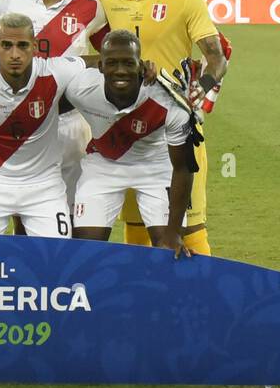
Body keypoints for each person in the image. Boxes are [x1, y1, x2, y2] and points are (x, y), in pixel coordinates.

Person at [88, 0, 229, 256]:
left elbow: (216, 57)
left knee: (188, 231)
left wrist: (197, 95)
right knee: (137, 232)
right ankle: (141, 308)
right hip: (124, 131)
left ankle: (200, 306)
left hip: (174, 129)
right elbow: (90, 55)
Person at [0, 13, 91, 238]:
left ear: (35, 46)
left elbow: (100, 64)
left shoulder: (56, 71)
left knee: (56, 258)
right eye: (7, 45)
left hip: (44, 184)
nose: (15, 54)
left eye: (22, 46)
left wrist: (141, 68)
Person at [0, 0, 101, 210]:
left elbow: (107, 58)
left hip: (74, 123)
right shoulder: (5, 2)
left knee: (76, 211)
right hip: (24, 124)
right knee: (24, 211)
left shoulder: (90, 5)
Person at [67, 30, 194, 258]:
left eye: (128, 63)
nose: (120, 70)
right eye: (112, 63)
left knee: (168, 252)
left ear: (141, 65)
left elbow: (182, 168)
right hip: (102, 165)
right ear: (100, 67)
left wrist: (174, 233)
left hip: (156, 167)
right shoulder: (79, 89)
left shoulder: (169, 103)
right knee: (84, 251)